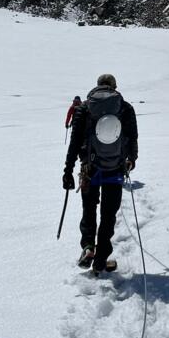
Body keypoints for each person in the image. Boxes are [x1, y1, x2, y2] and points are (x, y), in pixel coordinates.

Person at [62, 74, 138, 273]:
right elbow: (132, 136)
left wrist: (68, 170)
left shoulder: (84, 108)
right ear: (114, 86)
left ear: (97, 86)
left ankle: (88, 248)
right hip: (115, 169)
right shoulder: (125, 107)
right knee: (108, 215)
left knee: (89, 210)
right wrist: (132, 159)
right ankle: (101, 259)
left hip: (90, 169)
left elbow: (74, 143)